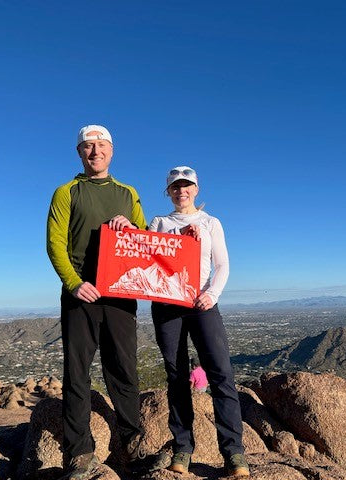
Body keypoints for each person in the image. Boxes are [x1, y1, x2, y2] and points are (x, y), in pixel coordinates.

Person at [47, 125, 147, 479]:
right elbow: (55, 243)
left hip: (120, 295)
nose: (95, 151)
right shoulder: (66, 192)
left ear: (112, 150)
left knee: (124, 370)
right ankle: (78, 454)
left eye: (101, 145)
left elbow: (145, 245)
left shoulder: (128, 192)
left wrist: (132, 230)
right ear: (79, 152)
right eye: (88, 146)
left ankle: (134, 447)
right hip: (81, 296)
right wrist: (74, 284)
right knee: (77, 374)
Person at [148, 166, 250, 477]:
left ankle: (233, 452)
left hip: (202, 303)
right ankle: (182, 447)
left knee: (220, 373)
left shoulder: (210, 222)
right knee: (176, 374)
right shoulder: (159, 222)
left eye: (187, 186)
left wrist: (212, 294)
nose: (182, 191)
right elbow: (149, 257)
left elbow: (222, 265)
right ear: (169, 191)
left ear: (197, 189)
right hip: (167, 304)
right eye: (176, 187)